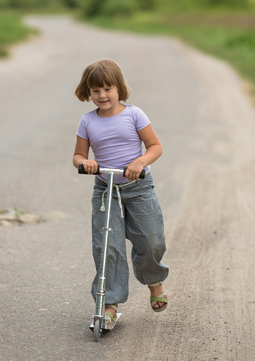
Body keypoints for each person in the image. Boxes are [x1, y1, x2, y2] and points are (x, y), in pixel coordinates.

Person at [73, 58, 169, 327]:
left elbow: (155, 146)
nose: (102, 95)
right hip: (106, 191)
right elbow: (78, 155)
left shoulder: (134, 114)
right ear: (88, 92)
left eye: (107, 88)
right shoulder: (87, 121)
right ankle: (109, 305)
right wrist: (86, 163)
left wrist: (139, 162)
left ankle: (154, 280)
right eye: (95, 91)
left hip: (138, 188)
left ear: (119, 88)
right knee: (108, 248)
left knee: (150, 241)